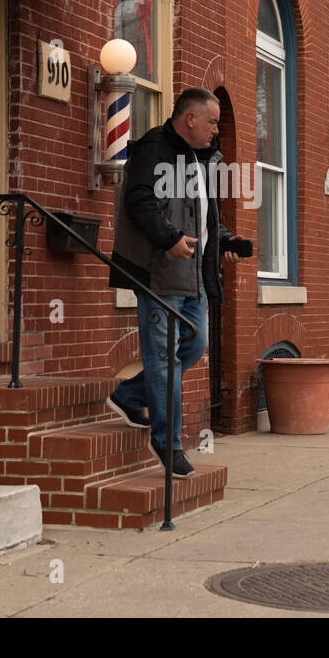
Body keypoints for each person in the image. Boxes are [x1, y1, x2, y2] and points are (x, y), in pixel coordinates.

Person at [107, 88, 251, 476]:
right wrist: (169, 239)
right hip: (159, 276)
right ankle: (167, 442)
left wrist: (225, 241)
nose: (216, 131)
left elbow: (203, 221)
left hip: (193, 279)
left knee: (195, 344)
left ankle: (128, 394)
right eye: (212, 121)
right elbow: (139, 200)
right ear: (190, 119)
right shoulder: (154, 148)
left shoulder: (200, 160)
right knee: (163, 359)